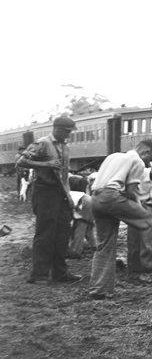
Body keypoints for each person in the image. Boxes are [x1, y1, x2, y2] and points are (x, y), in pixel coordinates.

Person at [88, 140, 152, 299]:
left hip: (96, 199)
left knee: (104, 246)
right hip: (112, 198)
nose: (148, 163)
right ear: (146, 152)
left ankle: (99, 290)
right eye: (150, 159)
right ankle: (151, 259)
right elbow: (130, 192)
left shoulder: (113, 156)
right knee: (147, 218)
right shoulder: (137, 161)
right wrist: (139, 209)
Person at [16, 116, 82, 284]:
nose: (68, 135)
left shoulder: (65, 147)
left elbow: (64, 176)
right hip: (44, 192)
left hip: (60, 194)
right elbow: (21, 162)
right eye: (67, 132)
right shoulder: (43, 143)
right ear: (57, 128)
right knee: (45, 234)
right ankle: (40, 275)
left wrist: (69, 197)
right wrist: (46, 164)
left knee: (62, 234)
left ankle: (60, 273)